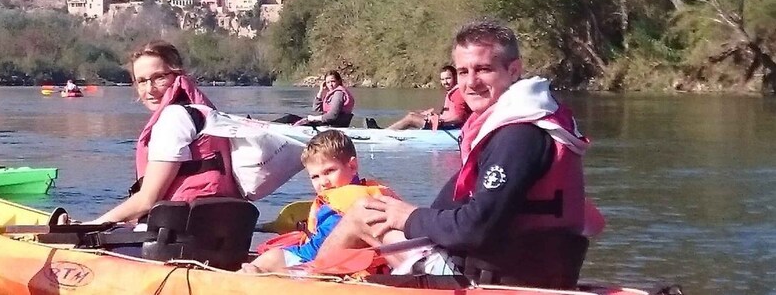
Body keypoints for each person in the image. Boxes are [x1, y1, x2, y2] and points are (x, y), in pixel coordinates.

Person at [318, 19, 596, 289]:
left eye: (483, 69)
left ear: (514, 70)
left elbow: (474, 229)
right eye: (463, 72)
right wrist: (405, 214)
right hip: (529, 270)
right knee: (379, 209)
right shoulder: (522, 123)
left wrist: (409, 217)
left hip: (490, 281)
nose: (470, 82)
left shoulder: (519, 136)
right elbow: (449, 207)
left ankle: (306, 282)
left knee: (362, 213)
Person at [89, 41, 240, 224]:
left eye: (159, 77)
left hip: (178, 238)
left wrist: (89, 227)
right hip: (218, 231)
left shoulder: (174, 118)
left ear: (178, 75)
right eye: (142, 81)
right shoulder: (206, 113)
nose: (150, 89)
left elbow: (146, 201)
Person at [241, 130, 396, 273]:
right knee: (272, 255)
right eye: (315, 177)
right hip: (326, 259)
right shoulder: (373, 193)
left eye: (329, 171)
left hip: (313, 261)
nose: (323, 182)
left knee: (271, 257)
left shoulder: (358, 201)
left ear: (352, 166)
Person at [375, 65, 469, 131]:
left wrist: (441, 121)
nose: (445, 82)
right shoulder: (453, 92)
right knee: (413, 114)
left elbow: (459, 118)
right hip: (445, 125)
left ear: (455, 77)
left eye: (448, 78)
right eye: (442, 79)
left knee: (411, 118)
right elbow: (449, 112)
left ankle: (384, 133)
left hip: (451, 127)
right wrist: (434, 115)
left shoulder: (457, 93)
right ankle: (386, 131)